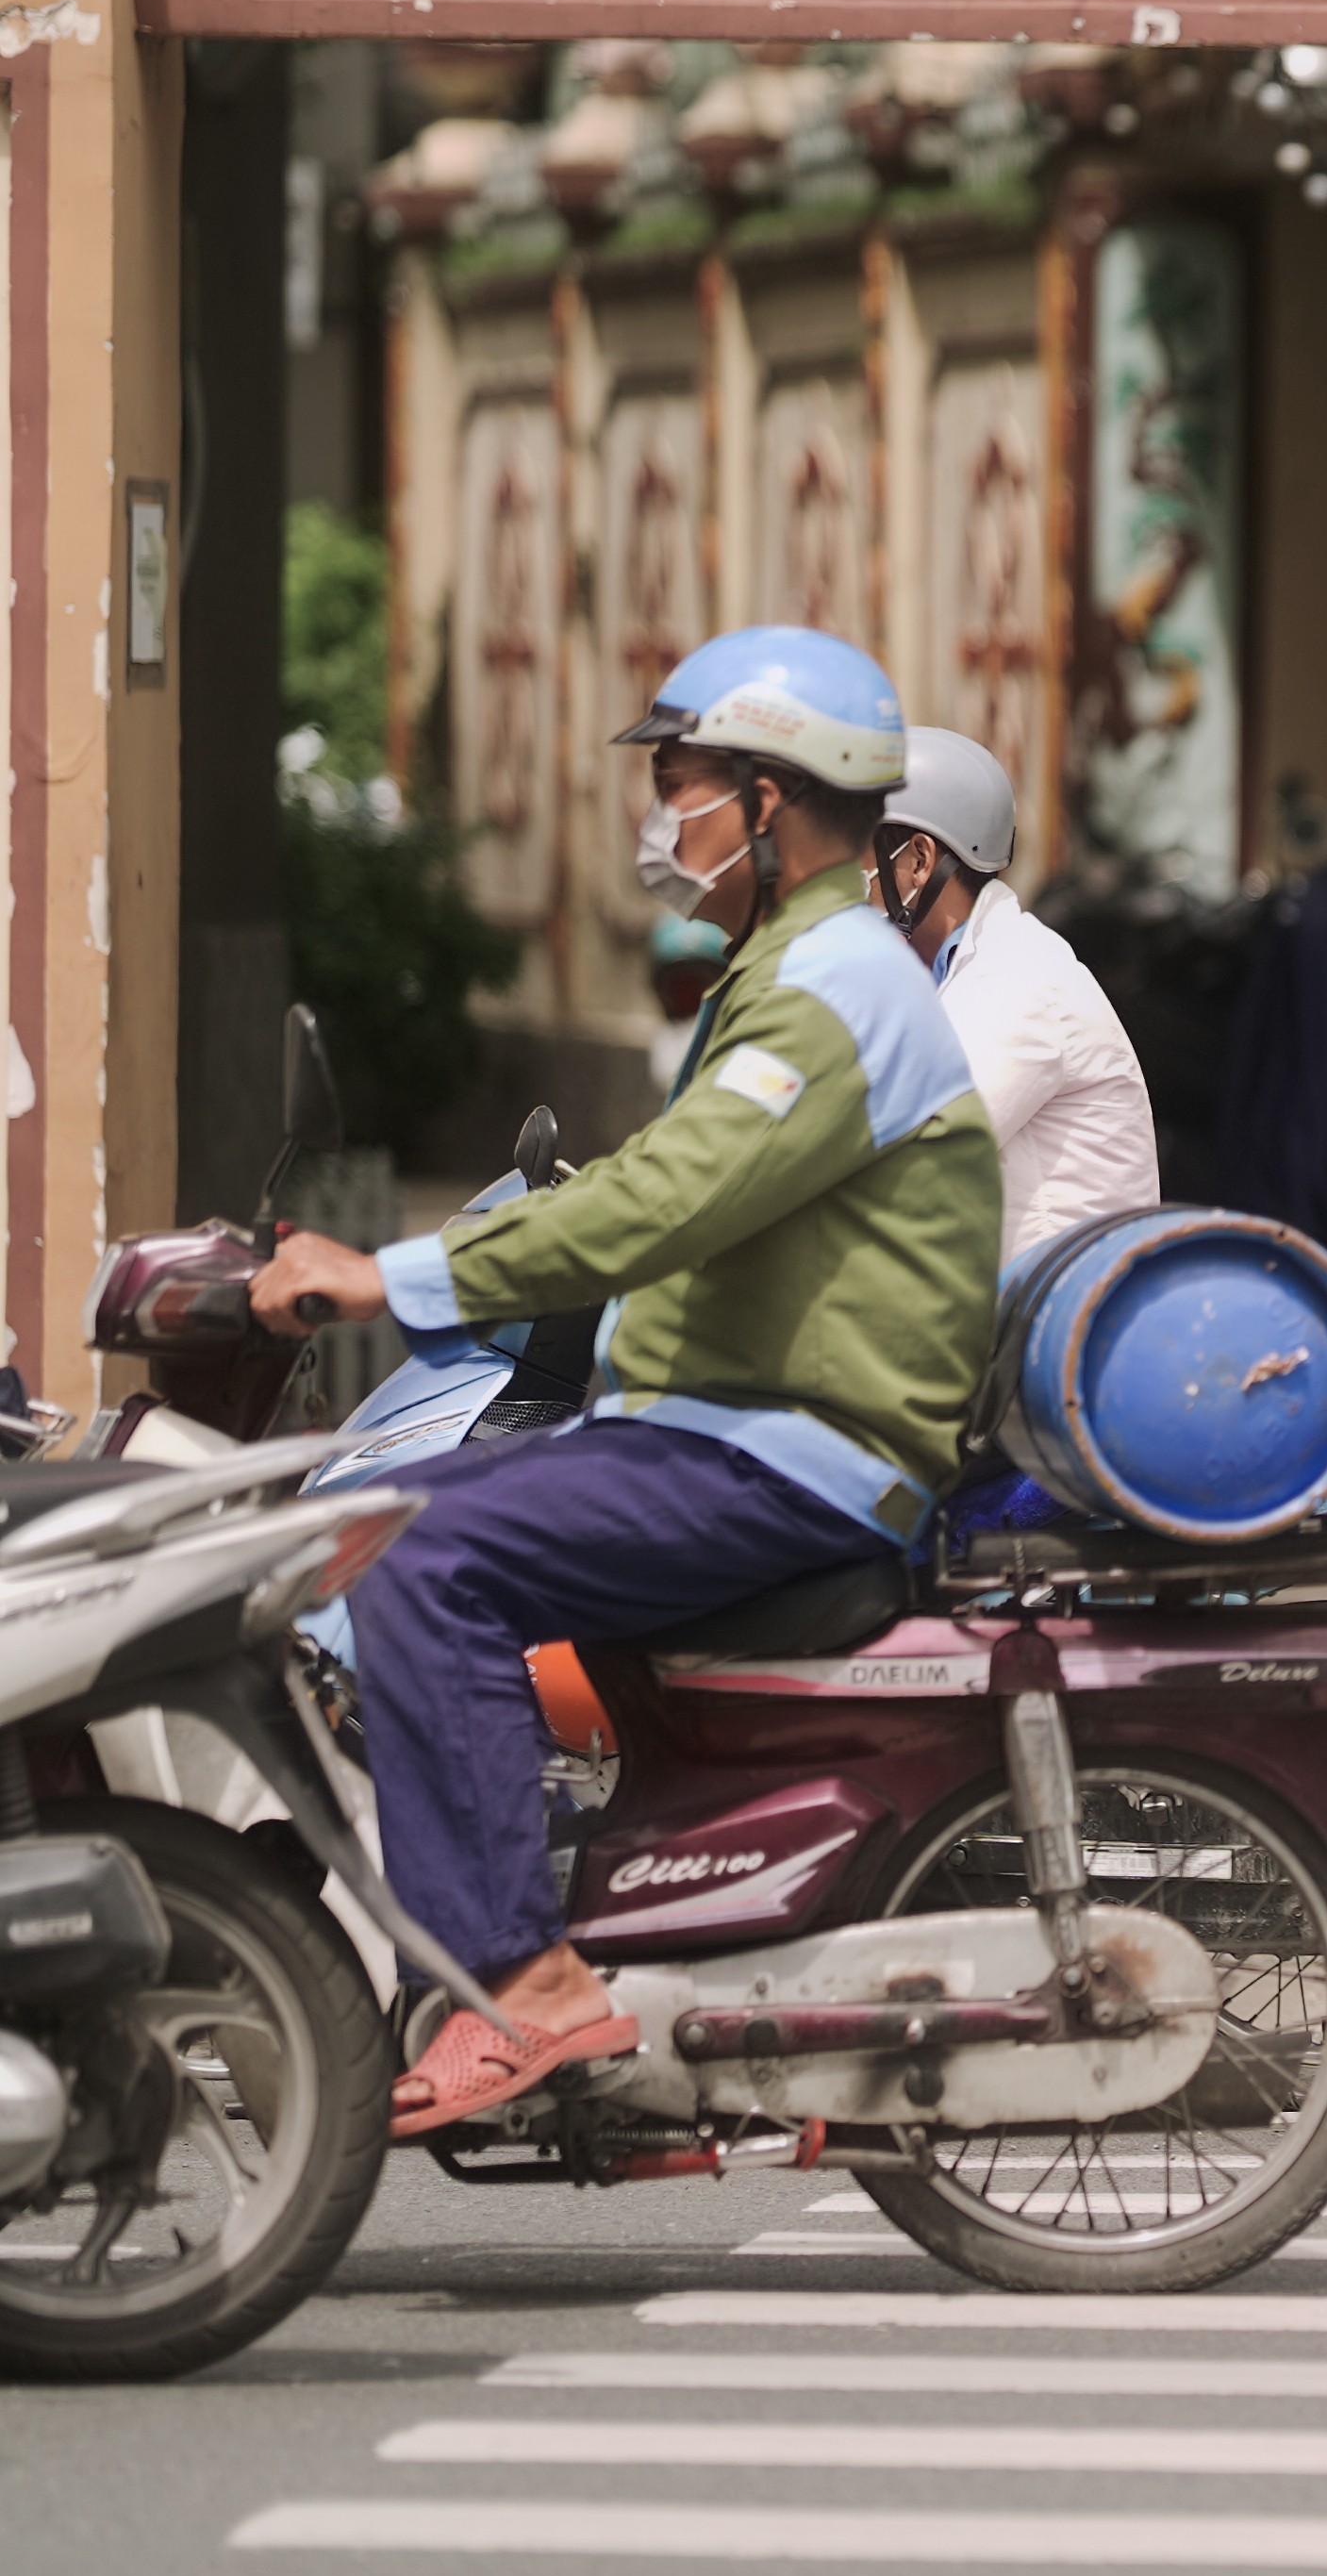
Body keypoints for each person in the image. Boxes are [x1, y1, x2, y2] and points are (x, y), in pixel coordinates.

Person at [249, 628, 1008, 2136]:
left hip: (791, 1456)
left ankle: (521, 1985)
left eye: (686, 786)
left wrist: (382, 1277)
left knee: (409, 1553)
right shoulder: (793, 969)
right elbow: (670, 1182)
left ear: (776, 800)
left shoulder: (833, 988)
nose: (665, 822)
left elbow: (667, 1202)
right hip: (732, 1433)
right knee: (393, 1518)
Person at [872, 726, 1165, 1264]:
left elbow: (904, 1152)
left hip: (1054, 1324)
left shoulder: (1018, 981)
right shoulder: (965, 971)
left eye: (860, 856)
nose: (850, 880)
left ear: (919, 860)